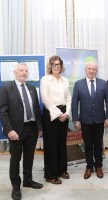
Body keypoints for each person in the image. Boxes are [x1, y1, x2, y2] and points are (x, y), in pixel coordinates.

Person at [0, 63, 43, 200]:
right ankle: (16, 186)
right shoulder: (6, 88)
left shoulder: (31, 88)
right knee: (15, 159)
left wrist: (39, 127)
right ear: (15, 72)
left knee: (29, 157)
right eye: (21, 70)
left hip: (31, 128)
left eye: (26, 71)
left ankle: (28, 180)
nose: (24, 73)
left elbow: (36, 109)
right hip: (15, 130)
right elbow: (3, 112)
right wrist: (9, 130)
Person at [72, 61, 108, 179]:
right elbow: (74, 103)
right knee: (88, 145)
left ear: (96, 70)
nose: (91, 71)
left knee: (98, 144)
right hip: (85, 120)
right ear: (85, 70)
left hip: (100, 120)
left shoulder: (103, 84)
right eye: (89, 68)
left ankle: (98, 166)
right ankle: (89, 167)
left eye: (94, 69)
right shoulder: (78, 84)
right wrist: (76, 119)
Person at [40, 55, 71, 184]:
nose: (56, 67)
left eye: (58, 64)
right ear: (50, 66)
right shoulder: (45, 80)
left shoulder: (65, 80)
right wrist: (59, 114)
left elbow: (69, 98)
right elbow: (45, 99)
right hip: (50, 115)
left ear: (61, 66)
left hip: (64, 114)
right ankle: (51, 174)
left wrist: (67, 113)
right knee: (51, 145)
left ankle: (62, 169)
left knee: (61, 144)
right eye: (54, 64)